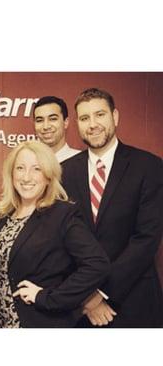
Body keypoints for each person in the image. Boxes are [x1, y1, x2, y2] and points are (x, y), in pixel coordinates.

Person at [62, 87, 163, 328]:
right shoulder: (64, 172)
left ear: (115, 116)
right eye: (85, 118)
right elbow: (61, 239)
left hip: (135, 301)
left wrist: (101, 294)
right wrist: (85, 295)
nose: (93, 124)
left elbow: (146, 239)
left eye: (100, 115)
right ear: (77, 123)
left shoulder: (149, 167)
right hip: (80, 307)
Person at [0, 141, 111, 328]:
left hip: (39, 322)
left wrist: (48, 297)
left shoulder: (63, 214)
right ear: (11, 174)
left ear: (48, 176)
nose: (26, 177)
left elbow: (97, 265)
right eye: (20, 168)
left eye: (36, 169)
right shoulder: (4, 216)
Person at [33, 96, 81, 162]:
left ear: (66, 122)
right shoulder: (28, 162)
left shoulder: (82, 161)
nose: (46, 126)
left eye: (53, 119)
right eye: (39, 120)